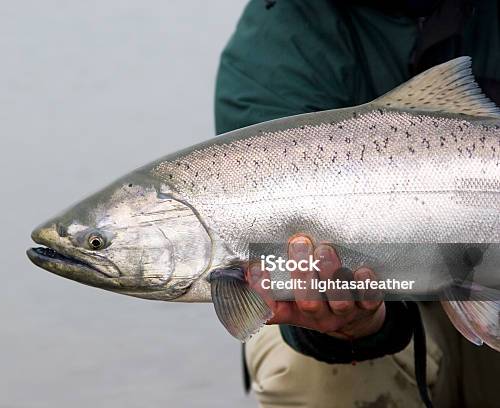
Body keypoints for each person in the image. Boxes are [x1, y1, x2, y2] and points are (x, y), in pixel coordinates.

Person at [214, 1, 500, 407]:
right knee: (303, 373)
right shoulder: (276, 43)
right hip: (393, 310)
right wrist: (356, 325)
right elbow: (274, 266)